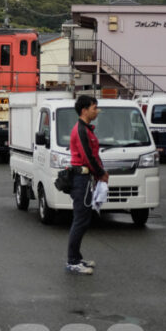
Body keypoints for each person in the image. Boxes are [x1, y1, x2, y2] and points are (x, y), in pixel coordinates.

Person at [66, 95, 108, 275]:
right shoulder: (81, 130)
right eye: (93, 107)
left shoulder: (86, 129)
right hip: (80, 178)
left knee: (83, 219)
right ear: (84, 110)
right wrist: (100, 173)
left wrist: (99, 172)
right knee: (80, 220)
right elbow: (86, 156)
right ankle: (72, 261)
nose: (96, 111)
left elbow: (93, 154)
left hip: (85, 178)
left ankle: (76, 257)